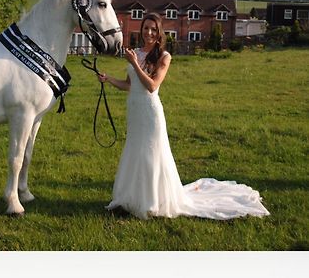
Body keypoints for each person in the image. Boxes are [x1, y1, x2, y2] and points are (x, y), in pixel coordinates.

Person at [98, 12, 270, 220]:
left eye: (153, 29)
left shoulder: (164, 57)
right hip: (134, 113)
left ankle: (152, 201)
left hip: (150, 113)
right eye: (146, 28)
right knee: (135, 152)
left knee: (151, 154)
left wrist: (135, 64)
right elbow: (128, 85)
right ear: (141, 30)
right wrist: (108, 79)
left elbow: (152, 86)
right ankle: (131, 198)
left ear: (159, 32)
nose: (149, 32)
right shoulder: (135, 52)